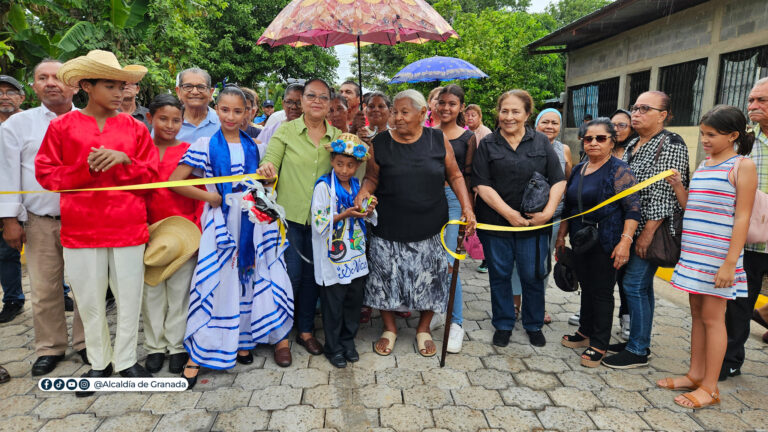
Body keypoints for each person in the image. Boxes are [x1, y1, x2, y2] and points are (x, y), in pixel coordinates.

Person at [35, 50, 159, 391]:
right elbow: (45, 174)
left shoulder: (134, 128)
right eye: (111, 85)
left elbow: (151, 176)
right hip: (81, 227)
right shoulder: (62, 127)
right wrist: (84, 168)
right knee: (89, 301)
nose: (120, 92)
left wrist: (124, 161)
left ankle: (127, 360)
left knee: (130, 298)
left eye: (122, 86)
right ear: (87, 86)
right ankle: (100, 363)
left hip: (127, 225)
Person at [170, 86, 294, 388]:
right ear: (217, 108)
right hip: (221, 222)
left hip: (252, 222)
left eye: (238, 111)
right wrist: (208, 196)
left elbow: (266, 184)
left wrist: (268, 174)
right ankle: (199, 351)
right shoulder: (203, 143)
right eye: (225, 109)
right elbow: (174, 182)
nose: (230, 116)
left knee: (248, 278)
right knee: (217, 279)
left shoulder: (256, 145)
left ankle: (242, 338)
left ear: (248, 112)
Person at [353, 89, 476, 357]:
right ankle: (389, 328)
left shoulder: (437, 139)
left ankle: (423, 329)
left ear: (422, 114)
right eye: (394, 111)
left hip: (431, 226)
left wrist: (467, 207)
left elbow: (455, 175)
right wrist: (364, 192)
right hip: (388, 225)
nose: (396, 117)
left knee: (431, 279)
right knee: (385, 278)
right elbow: (372, 178)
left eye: (403, 112)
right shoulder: (381, 143)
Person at [657, 105, 756, 408]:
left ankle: (710, 387)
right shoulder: (704, 164)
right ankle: (696, 373)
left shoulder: (742, 166)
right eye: (702, 134)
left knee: (714, 320)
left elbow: (742, 218)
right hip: (694, 254)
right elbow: (693, 207)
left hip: (718, 259)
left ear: (733, 136)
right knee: (698, 316)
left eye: (711, 135)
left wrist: (729, 263)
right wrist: (677, 187)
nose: (705, 140)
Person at [0, 59, 87, 376]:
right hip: (40, 220)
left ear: (75, 85)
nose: (51, 82)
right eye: (42, 77)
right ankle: (50, 347)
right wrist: (10, 219)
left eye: (58, 77)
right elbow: (7, 174)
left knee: (86, 286)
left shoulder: (92, 121)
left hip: (85, 219)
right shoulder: (16, 126)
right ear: (33, 86)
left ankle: (86, 342)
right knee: (45, 287)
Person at [602, 91, 690, 369]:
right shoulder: (634, 144)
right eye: (635, 108)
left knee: (634, 285)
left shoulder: (670, 143)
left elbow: (664, 192)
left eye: (644, 109)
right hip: (630, 226)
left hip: (650, 229)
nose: (636, 113)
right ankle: (638, 342)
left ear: (663, 115)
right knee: (640, 287)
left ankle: (638, 350)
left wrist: (648, 232)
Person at [472, 89, 566, 348]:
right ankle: (502, 324)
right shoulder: (488, 143)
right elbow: (482, 184)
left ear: (527, 114)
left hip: (534, 226)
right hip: (495, 223)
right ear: (498, 113)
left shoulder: (541, 143)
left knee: (533, 274)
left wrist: (547, 214)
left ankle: (533, 324)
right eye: (504, 111)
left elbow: (559, 181)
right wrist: (510, 214)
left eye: (516, 111)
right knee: (499, 275)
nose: (509, 116)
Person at [257, 79, 341, 357]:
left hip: (323, 223)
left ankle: (305, 330)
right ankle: (280, 336)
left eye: (323, 97)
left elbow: (350, 173)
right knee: (288, 276)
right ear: (302, 100)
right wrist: (267, 167)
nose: (317, 101)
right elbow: (268, 162)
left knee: (313, 278)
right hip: (289, 220)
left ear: (330, 103)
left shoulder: (339, 137)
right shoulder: (286, 131)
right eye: (311, 96)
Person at [557, 118, 640, 368]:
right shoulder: (581, 168)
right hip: (581, 239)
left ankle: (600, 343)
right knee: (586, 286)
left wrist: (625, 243)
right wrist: (561, 237)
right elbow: (569, 207)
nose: (593, 143)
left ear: (612, 141)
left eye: (600, 138)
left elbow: (633, 210)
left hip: (607, 240)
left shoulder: (619, 170)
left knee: (602, 291)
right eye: (588, 138)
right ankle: (584, 331)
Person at [141, 94, 204, 374]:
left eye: (176, 120)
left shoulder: (191, 151)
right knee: (151, 291)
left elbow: (202, 193)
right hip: (147, 231)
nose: (170, 125)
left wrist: (199, 230)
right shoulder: (140, 152)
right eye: (163, 119)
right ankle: (154, 347)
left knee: (180, 293)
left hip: (183, 232)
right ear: (149, 119)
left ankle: (177, 346)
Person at [311, 133, 377, 368]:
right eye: (339, 164)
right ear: (332, 162)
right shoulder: (323, 187)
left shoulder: (357, 186)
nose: (344, 170)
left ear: (358, 165)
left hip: (355, 256)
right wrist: (345, 214)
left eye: (350, 165)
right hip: (334, 258)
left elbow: (366, 217)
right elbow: (319, 221)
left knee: (353, 302)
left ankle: (348, 342)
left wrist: (368, 209)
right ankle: (333, 346)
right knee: (333, 304)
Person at [721, 77, 768, 381]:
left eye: (761, 100)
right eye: (751, 100)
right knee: (739, 304)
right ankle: (729, 359)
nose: (752, 106)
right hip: (749, 240)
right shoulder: (746, 140)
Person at [509, 108, 571, 326]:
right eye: (545, 122)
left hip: (552, 217)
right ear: (535, 124)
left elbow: (566, 184)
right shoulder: (525, 146)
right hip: (524, 216)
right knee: (518, 261)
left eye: (555, 123)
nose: (550, 126)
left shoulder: (564, 150)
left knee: (542, 263)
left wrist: (562, 222)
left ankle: (536, 305)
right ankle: (514, 303)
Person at [436, 84, 475, 353]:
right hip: (427, 203)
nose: (446, 108)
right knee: (432, 260)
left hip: (453, 202)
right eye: (442, 102)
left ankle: (456, 324)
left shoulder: (468, 137)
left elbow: (470, 176)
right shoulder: (427, 133)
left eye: (452, 103)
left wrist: (467, 209)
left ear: (461, 107)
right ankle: (438, 311)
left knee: (451, 264)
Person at [609, 108, 638, 340]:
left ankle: (627, 319)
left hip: (628, 226)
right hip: (603, 226)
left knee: (626, 279)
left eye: (622, 125)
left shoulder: (633, 152)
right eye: (613, 125)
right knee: (599, 277)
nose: (617, 130)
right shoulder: (598, 148)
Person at [0, 75, 26, 324]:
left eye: (10, 92)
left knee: (46, 250)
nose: (4, 96)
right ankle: (13, 299)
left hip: (31, 200)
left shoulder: (32, 123)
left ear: (22, 97)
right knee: (6, 252)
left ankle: (61, 293)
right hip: (3, 198)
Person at [463, 104, 491, 273]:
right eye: (467, 115)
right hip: (469, 179)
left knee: (480, 219)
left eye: (473, 115)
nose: (470, 118)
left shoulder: (485, 133)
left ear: (480, 117)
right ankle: (472, 248)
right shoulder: (466, 132)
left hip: (481, 181)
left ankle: (485, 258)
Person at [256, 83, 304, 155]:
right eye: (289, 102)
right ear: (283, 104)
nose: (294, 107)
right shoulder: (270, 131)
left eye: (299, 103)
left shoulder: (314, 132)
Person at [175, 67, 220, 143]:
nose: (195, 92)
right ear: (178, 92)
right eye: (188, 86)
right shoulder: (166, 124)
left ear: (211, 92)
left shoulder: (223, 123)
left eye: (201, 87)